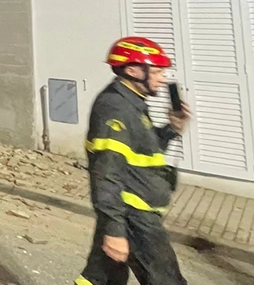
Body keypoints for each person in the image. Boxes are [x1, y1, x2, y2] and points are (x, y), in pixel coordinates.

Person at [75, 37, 192, 285]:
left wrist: (172, 129)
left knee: (101, 279)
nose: (162, 78)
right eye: (157, 71)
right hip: (133, 215)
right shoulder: (116, 109)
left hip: (128, 211)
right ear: (132, 70)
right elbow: (106, 173)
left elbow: (143, 150)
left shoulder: (133, 103)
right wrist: (115, 230)